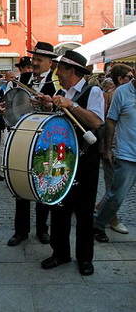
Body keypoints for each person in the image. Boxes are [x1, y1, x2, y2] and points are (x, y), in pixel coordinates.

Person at [40, 50, 104, 276]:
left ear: (73, 71)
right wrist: (49, 106)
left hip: (86, 159)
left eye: (61, 69)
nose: (57, 72)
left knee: (84, 211)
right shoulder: (60, 91)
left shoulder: (92, 91)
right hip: (62, 158)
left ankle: (85, 258)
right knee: (59, 207)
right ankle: (60, 253)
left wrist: (72, 105)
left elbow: (96, 121)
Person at [7, 42, 57, 247]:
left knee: (42, 181)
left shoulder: (56, 83)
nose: (34, 63)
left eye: (39, 60)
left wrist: (48, 105)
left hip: (46, 139)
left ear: (50, 63)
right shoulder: (23, 79)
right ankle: (21, 231)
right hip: (23, 136)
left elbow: (61, 113)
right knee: (20, 181)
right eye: (33, 59)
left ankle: (42, 229)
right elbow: (11, 102)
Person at [94, 65, 136, 242]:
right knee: (117, 195)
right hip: (127, 153)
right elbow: (110, 120)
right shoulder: (121, 92)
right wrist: (109, 149)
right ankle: (98, 225)